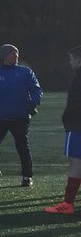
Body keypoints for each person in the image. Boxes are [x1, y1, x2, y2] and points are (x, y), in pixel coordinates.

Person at [0, 43, 42, 187]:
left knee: (22, 147)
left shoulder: (26, 72)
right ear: (4, 56)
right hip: (0, 117)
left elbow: (36, 90)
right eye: (13, 53)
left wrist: (34, 102)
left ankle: (27, 176)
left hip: (20, 118)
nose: (16, 56)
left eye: (17, 53)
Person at [46, 44, 81, 214]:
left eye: (72, 58)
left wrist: (68, 118)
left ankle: (68, 204)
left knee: (76, 162)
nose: (70, 62)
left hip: (77, 125)